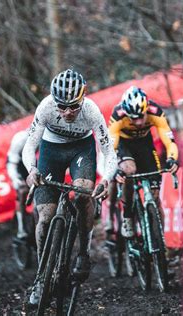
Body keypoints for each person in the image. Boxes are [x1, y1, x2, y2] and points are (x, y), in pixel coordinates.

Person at [22, 69, 117, 304]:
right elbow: (29, 145)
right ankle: (42, 277)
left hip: (80, 150)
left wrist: (106, 179)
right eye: (62, 107)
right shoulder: (45, 107)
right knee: (45, 216)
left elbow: (108, 151)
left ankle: (83, 252)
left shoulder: (92, 111)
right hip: (51, 151)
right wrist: (31, 170)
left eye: (73, 107)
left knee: (84, 193)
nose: (67, 112)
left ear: (82, 98)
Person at [107, 86, 179, 238]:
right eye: (133, 118)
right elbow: (110, 147)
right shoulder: (118, 116)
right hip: (124, 145)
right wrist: (115, 168)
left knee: (155, 195)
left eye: (141, 116)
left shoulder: (156, 112)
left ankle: (161, 242)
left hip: (145, 145)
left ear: (146, 109)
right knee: (129, 170)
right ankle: (127, 217)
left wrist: (172, 159)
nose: (138, 122)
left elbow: (169, 141)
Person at [6, 129, 30, 239]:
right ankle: (21, 229)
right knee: (22, 191)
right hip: (16, 164)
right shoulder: (20, 139)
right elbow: (12, 164)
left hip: (30, 162)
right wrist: (18, 180)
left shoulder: (43, 136)